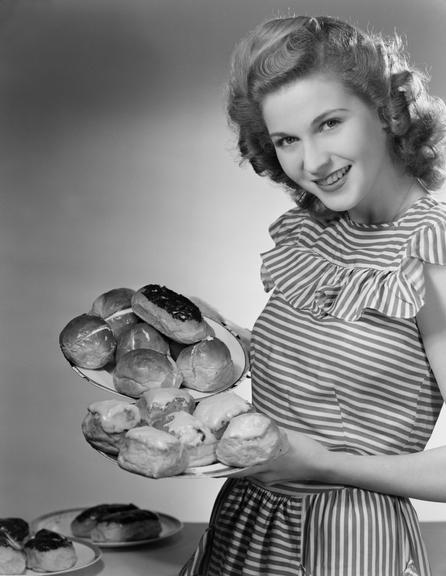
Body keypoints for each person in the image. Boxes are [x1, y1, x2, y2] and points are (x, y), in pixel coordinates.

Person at [180, 14, 446, 576]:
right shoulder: (316, 229)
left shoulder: (431, 249)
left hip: (348, 540)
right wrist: (223, 337)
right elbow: (327, 367)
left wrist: (326, 466)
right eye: (287, 140)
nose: (313, 162)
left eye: (329, 123)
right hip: (245, 525)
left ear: (387, 111)